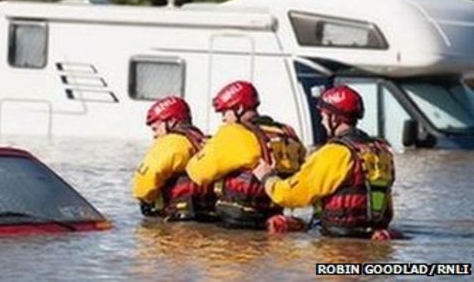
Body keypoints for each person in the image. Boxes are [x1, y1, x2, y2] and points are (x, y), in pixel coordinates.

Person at [253, 85, 399, 240]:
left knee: (278, 231)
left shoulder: (335, 152)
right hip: (372, 235)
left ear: (334, 118)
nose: (322, 121)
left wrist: (268, 177)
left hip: (336, 240)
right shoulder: (382, 151)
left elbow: (290, 195)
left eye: (323, 116)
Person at [185, 81, 306, 230]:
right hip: (273, 217)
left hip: (237, 221)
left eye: (225, 113)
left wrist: (208, 147)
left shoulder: (232, 132)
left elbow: (198, 174)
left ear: (239, 108)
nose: (223, 119)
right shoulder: (287, 133)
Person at [133, 96, 216, 221]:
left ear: (171, 122)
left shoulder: (171, 143)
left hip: (177, 219)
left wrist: (147, 198)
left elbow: (144, 182)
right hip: (209, 217)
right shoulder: (203, 141)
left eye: (155, 129)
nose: (154, 135)